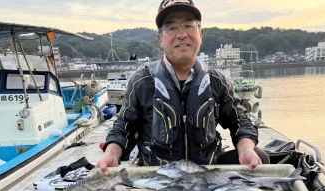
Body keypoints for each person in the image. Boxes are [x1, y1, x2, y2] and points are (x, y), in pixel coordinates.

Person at [97, 0, 269, 175]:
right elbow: (123, 125)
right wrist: (111, 153)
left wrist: (246, 148)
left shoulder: (216, 81)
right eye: (171, 27)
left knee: (259, 155)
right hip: (158, 175)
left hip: (207, 171)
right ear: (160, 39)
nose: (181, 34)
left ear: (200, 34)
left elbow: (239, 120)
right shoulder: (142, 81)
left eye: (188, 25)